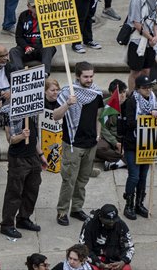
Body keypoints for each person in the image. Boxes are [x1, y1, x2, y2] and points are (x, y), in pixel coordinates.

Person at [54, 62, 103, 226]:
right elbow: (55, 116)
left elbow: (98, 116)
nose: (89, 79)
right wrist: (67, 104)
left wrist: (98, 134)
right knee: (69, 180)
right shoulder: (67, 93)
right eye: (85, 77)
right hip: (73, 144)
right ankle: (62, 211)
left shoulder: (96, 93)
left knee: (82, 181)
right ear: (77, 76)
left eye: (91, 76)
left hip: (90, 144)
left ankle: (76, 208)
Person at [1, 88, 44, 239]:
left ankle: (24, 218)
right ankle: (7, 224)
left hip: (33, 156)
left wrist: (41, 154)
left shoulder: (33, 107)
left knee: (32, 189)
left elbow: (35, 135)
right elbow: (10, 139)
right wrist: (21, 136)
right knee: (14, 192)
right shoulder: (8, 110)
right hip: (18, 158)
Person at [117, 75, 157, 220]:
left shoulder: (153, 99)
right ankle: (129, 204)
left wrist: (156, 115)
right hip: (132, 144)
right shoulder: (132, 101)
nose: (148, 90)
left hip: (147, 144)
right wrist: (147, 116)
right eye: (145, 88)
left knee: (143, 176)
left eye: (149, 87)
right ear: (138, 88)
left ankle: (139, 203)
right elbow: (129, 123)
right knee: (134, 176)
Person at [79, 204, 134, 270]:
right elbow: (83, 248)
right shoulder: (89, 223)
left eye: (114, 221)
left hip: (115, 260)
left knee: (126, 268)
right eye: (107, 222)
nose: (111, 223)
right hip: (95, 259)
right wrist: (99, 263)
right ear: (100, 217)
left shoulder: (120, 224)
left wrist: (123, 261)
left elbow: (129, 247)